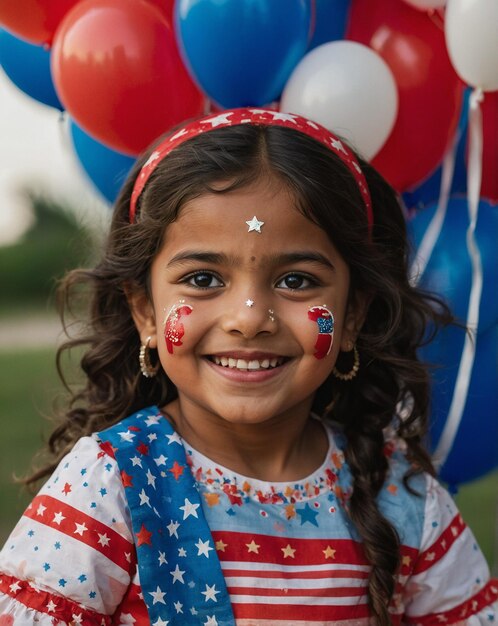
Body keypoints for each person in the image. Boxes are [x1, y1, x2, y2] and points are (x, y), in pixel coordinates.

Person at [0, 108, 496, 626]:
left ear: (353, 316)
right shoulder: (111, 486)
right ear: (145, 311)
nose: (249, 319)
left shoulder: (405, 500)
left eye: (298, 281)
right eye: (204, 279)